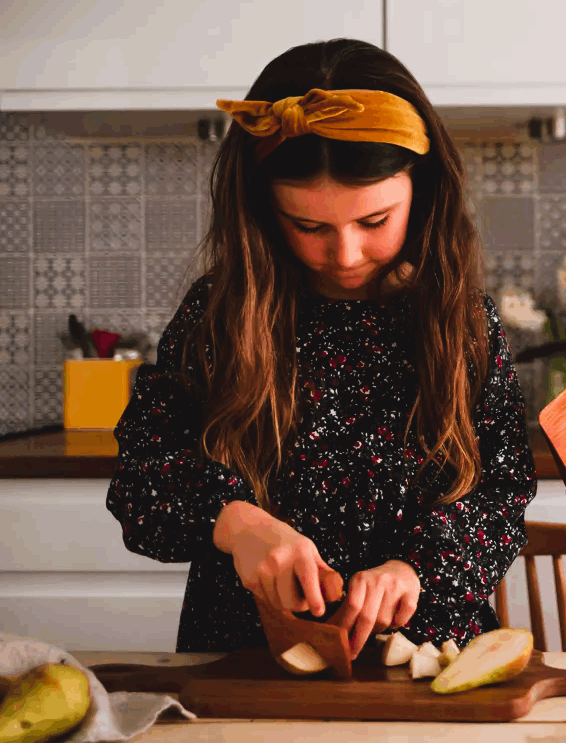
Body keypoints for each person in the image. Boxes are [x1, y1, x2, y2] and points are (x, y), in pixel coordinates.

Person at [106, 39, 537, 658]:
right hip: (246, 657)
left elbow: (500, 497)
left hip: (432, 660)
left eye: (374, 221)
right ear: (261, 208)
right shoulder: (220, 315)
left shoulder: (461, 322)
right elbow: (141, 480)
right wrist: (237, 522)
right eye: (309, 226)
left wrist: (416, 570)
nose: (345, 255)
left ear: (424, 191)